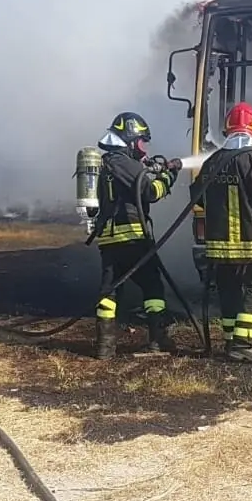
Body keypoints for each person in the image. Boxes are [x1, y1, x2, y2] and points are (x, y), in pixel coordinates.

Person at [190, 101, 252, 363]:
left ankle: (231, 340)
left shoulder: (214, 161)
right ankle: (243, 342)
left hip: (219, 245)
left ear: (227, 130)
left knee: (229, 288)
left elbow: (197, 197)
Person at [86, 111, 181, 359]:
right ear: (129, 138)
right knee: (152, 287)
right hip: (131, 237)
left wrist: (154, 166)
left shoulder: (111, 162)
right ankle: (158, 340)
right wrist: (169, 176)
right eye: (142, 141)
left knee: (109, 291)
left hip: (110, 239)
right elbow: (149, 191)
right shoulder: (121, 161)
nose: (144, 147)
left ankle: (104, 348)